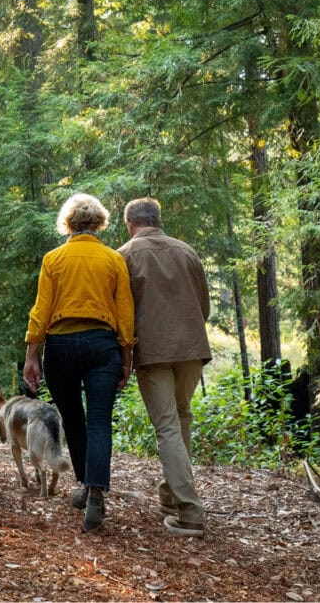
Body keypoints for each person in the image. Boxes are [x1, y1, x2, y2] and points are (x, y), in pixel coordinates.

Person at [23, 193, 135, 532]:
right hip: (103, 345)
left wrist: (32, 355)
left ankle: (87, 485)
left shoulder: (54, 259)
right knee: (100, 420)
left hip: (61, 346)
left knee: (73, 417)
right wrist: (126, 356)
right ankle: (95, 490)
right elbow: (125, 312)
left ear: (68, 223)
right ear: (99, 222)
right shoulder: (113, 260)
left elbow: (41, 310)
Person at [117, 197, 211, 538]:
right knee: (182, 415)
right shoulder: (187, 251)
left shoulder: (124, 255)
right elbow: (205, 306)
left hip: (153, 351)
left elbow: (122, 313)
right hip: (192, 349)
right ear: (158, 219)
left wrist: (123, 356)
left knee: (168, 426)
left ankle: (190, 513)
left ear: (130, 223)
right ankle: (172, 495)